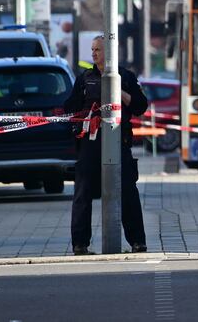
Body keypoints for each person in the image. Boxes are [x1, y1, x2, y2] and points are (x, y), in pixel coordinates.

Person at [63, 35, 150, 254]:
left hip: (118, 139)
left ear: (109, 52)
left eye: (98, 50)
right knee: (82, 192)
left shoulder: (126, 77)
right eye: (92, 50)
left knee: (128, 191)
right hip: (90, 142)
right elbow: (69, 107)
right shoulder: (85, 78)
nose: (93, 54)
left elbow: (141, 106)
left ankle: (138, 241)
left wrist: (117, 92)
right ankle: (80, 244)